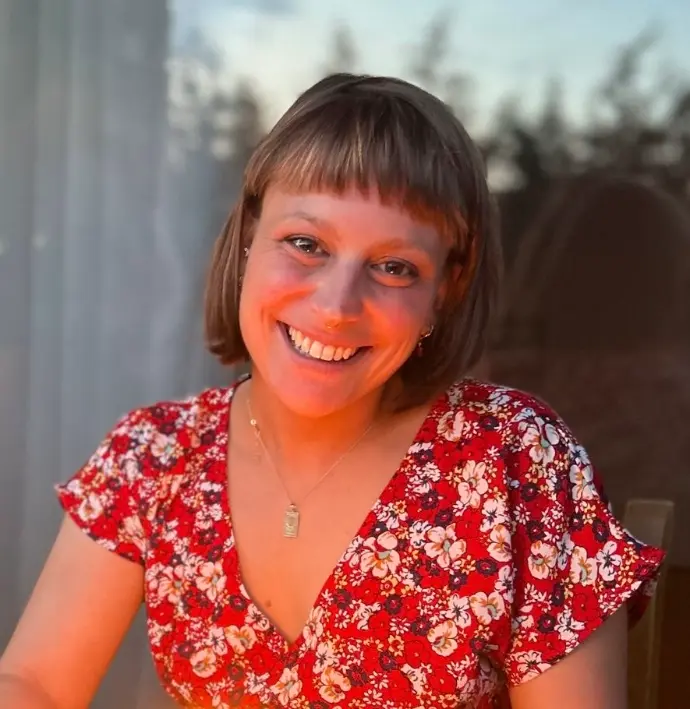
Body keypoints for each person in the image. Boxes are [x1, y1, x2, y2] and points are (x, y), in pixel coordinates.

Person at [0, 73, 664, 709]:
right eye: (306, 243)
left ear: (445, 291)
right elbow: (35, 681)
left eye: (395, 267)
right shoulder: (155, 455)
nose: (337, 305)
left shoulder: (515, 460)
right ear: (249, 238)